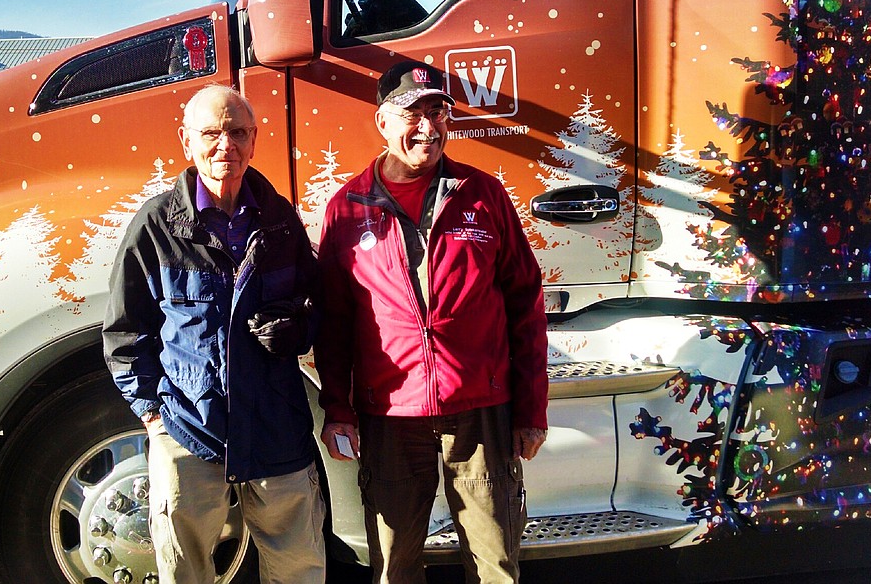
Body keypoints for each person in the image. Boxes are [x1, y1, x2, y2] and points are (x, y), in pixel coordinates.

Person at [316, 61, 549, 584]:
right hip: (390, 415)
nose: (428, 126)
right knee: (393, 566)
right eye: (412, 113)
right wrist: (339, 409)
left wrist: (531, 408)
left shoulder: (482, 194)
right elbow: (333, 322)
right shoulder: (348, 208)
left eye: (438, 112)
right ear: (382, 123)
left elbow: (525, 303)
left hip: (481, 412)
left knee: (496, 566)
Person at [104, 84, 326, 584]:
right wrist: (152, 417)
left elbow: (318, 305)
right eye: (211, 133)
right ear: (186, 141)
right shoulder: (156, 226)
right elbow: (124, 332)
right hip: (188, 429)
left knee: (299, 569)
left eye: (238, 133)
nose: (225, 145)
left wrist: (300, 326)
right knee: (185, 573)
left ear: (254, 140)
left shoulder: (280, 221)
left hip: (277, 429)